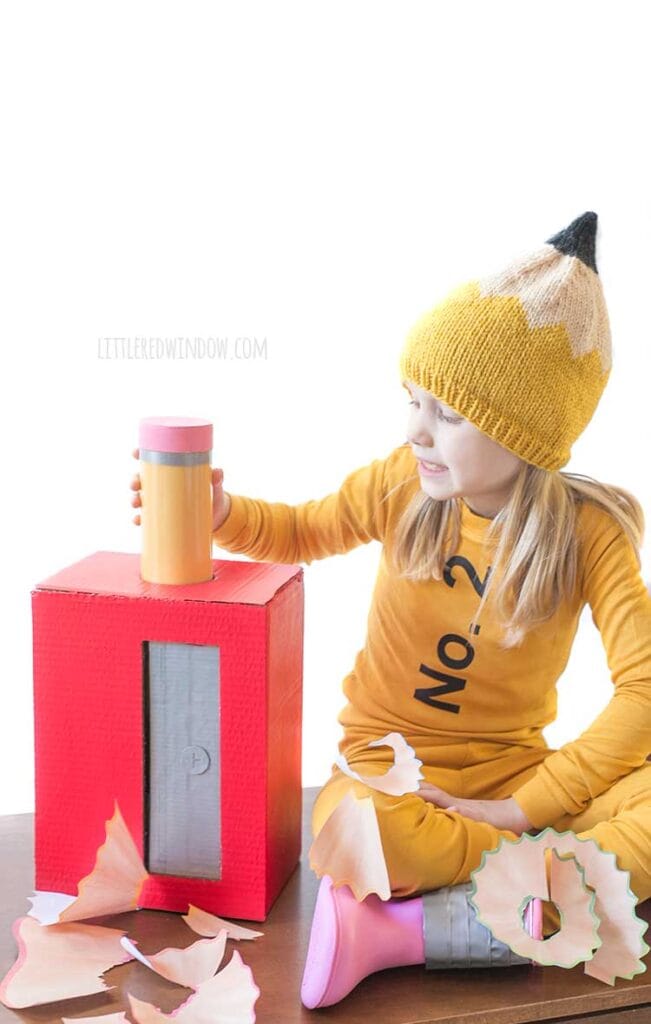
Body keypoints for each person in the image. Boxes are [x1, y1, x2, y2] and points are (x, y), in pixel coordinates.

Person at [130, 211, 651, 1009]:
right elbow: (304, 529)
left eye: (446, 413)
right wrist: (225, 511)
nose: (415, 430)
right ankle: (548, 880)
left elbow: (642, 690)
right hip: (391, 776)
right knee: (360, 830)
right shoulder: (402, 486)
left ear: (527, 435)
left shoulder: (590, 533)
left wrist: (519, 806)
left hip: (517, 778)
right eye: (412, 401)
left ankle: (464, 896)